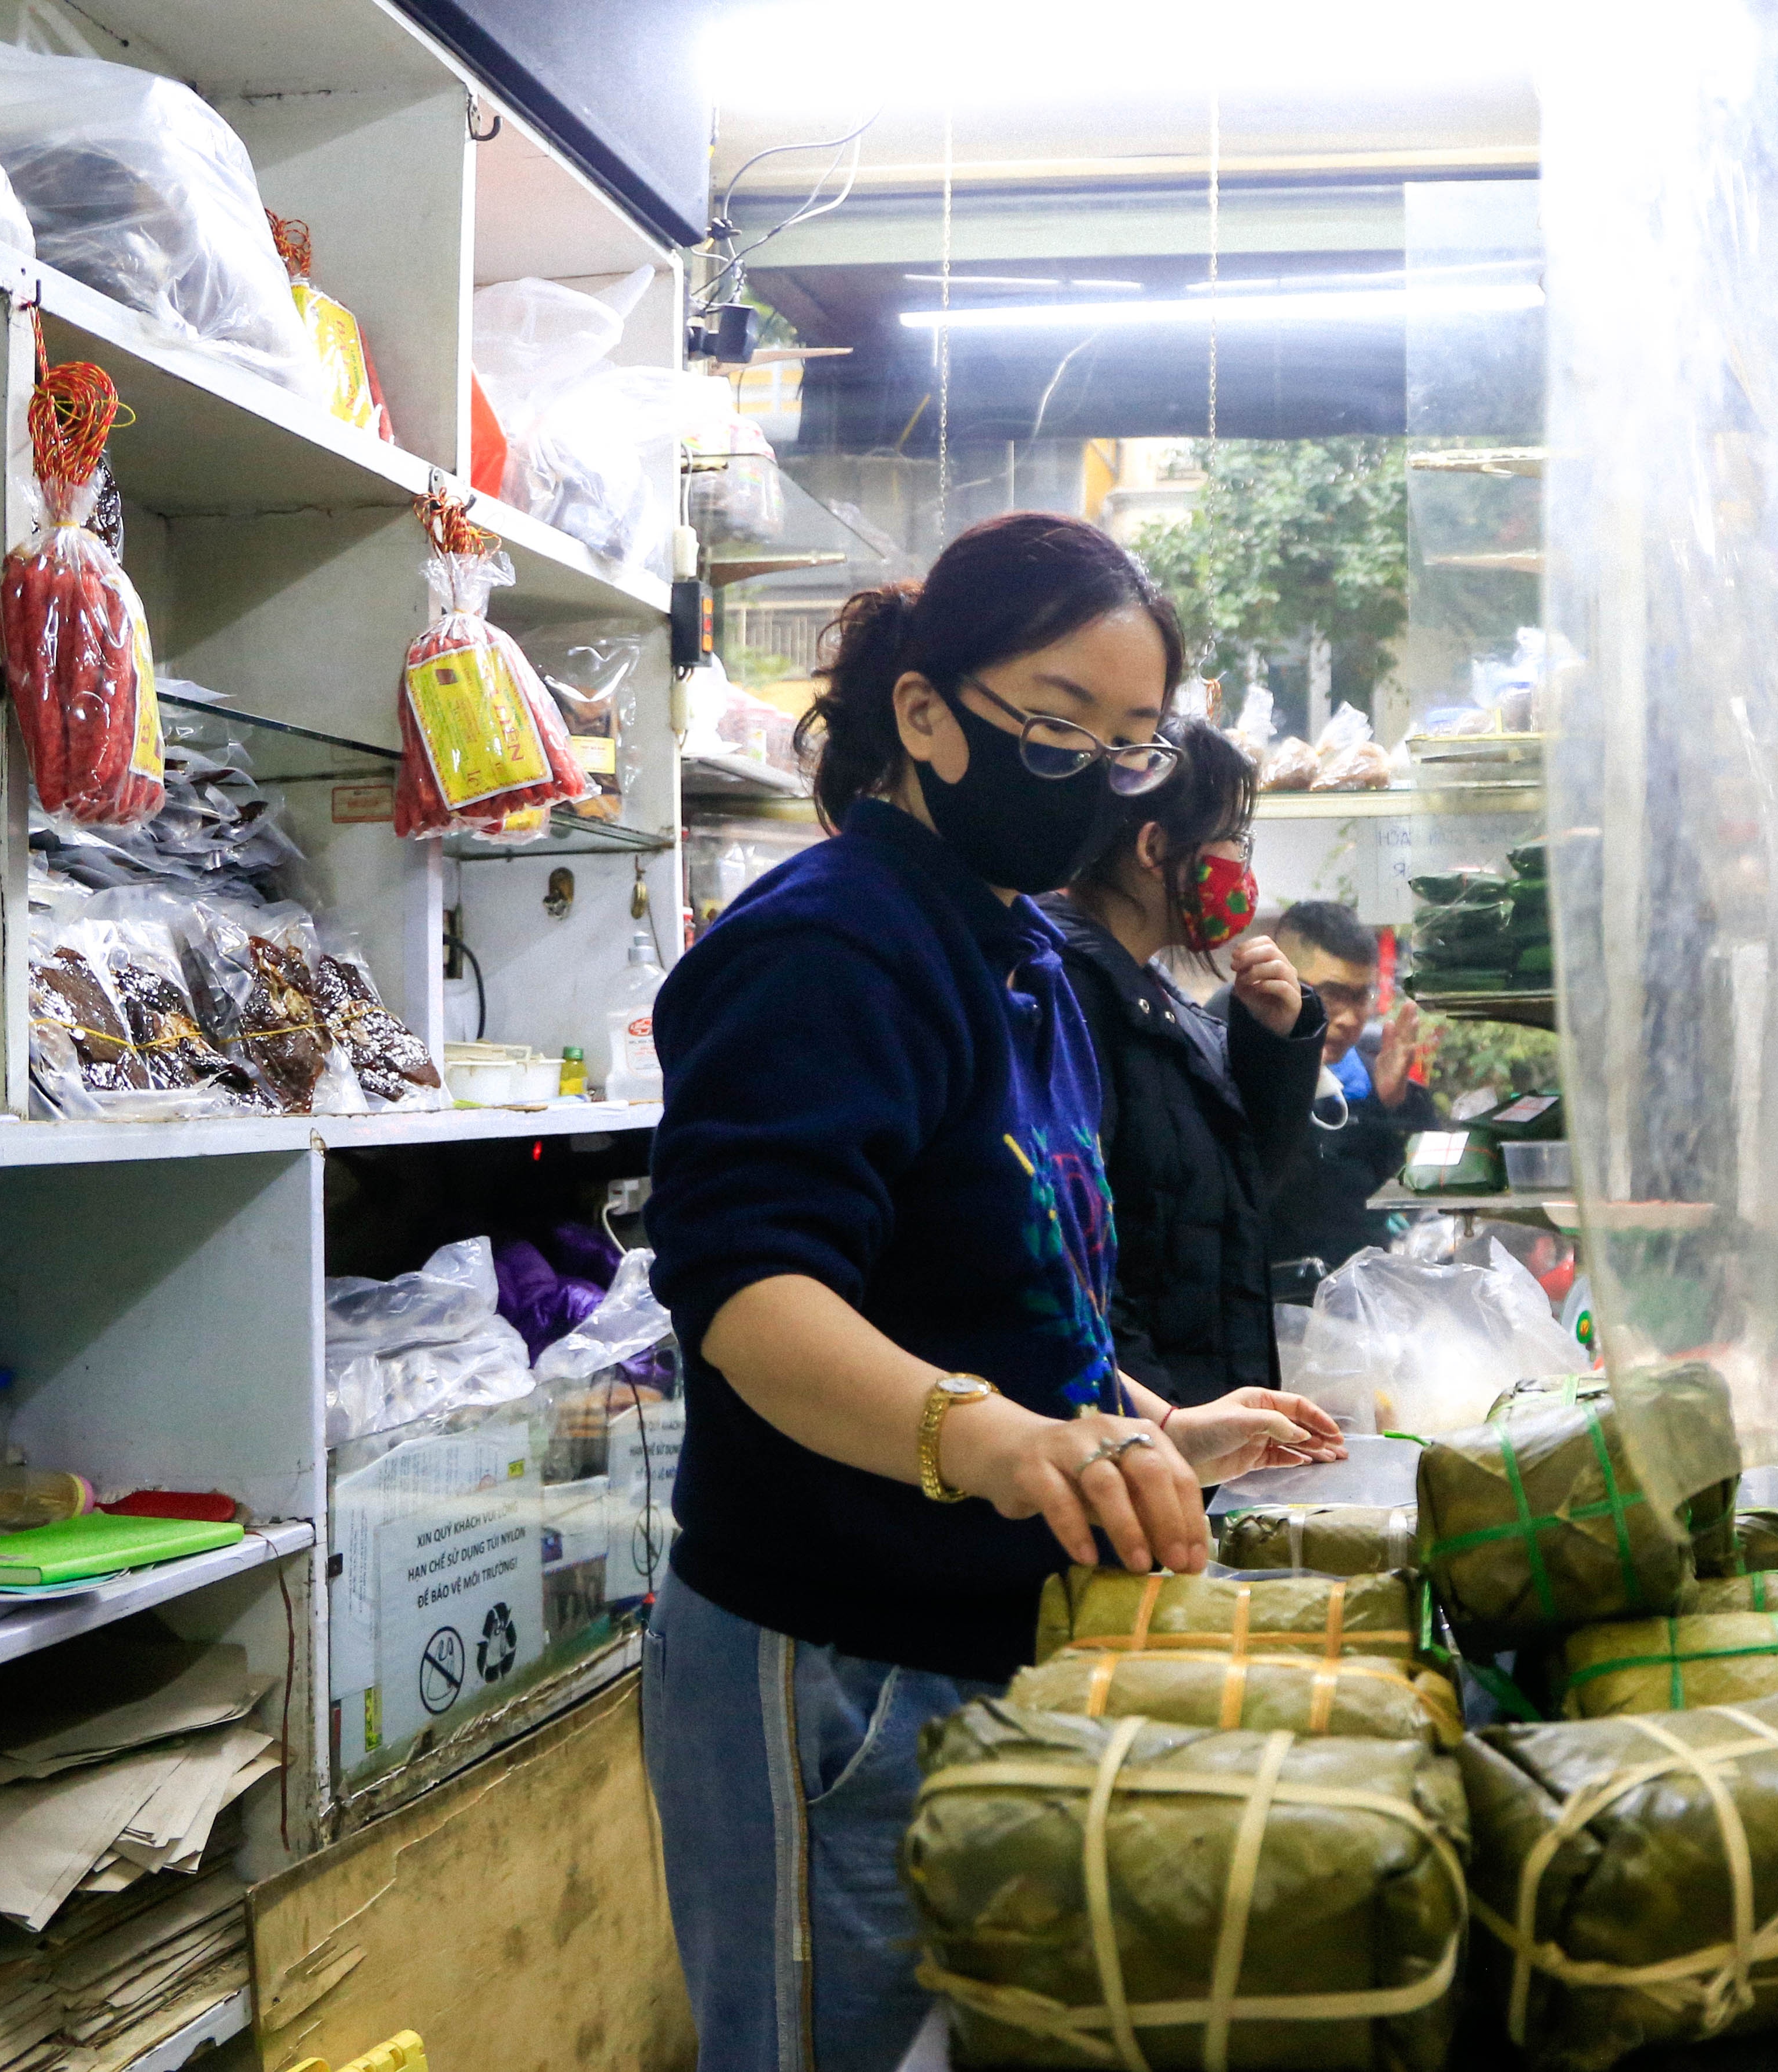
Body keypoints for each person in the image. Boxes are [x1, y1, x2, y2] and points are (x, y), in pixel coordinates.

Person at [639, 512, 1346, 2072]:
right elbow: (752, 1292)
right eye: (1053, 725)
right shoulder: (828, 949)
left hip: (990, 1632)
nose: (1093, 773)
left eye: (1131, 742)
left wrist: (1149, 1419)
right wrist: (997, 1440)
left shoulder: (1020, 954)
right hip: (830, 1652)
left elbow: (1018, 1276)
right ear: (922, 712)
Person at [1038, 716, 1326, 1406]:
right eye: (1232, 838)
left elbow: (1242, 1191)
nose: (1241, 865)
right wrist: (1160, 1432)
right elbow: (1079, 1267)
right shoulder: (1066, 995)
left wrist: (1274, 1040)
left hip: (1191, 1431)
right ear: (1154, 845)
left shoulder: (1151, 991)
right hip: (1145, 1443)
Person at [1263, 899, 1442, 1289]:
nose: (1347, 1018)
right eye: (1330, 995)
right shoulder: (1230, 1064)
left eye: (1360, 997)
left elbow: (1389, 1184)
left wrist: (1390, 1105)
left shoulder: (1362, 1071)